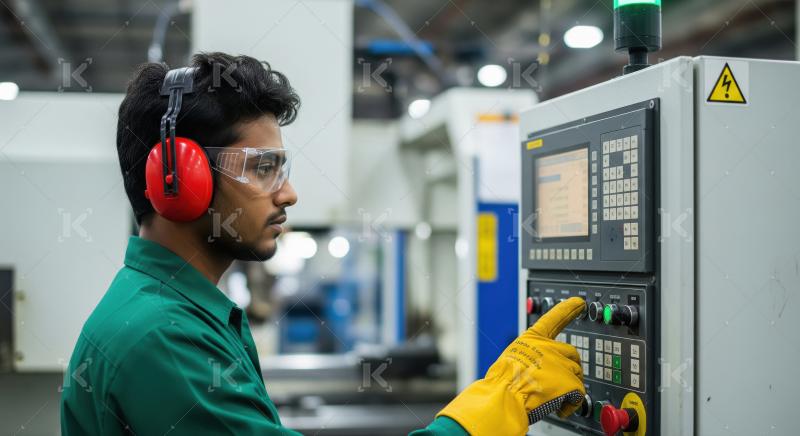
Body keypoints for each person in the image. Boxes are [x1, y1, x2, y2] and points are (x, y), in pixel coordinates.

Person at [60, 52, 586, 436]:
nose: (287, 192)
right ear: (179, 181)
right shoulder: (162, 337)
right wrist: (501, 403)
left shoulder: (172, 312)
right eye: (262, 168)